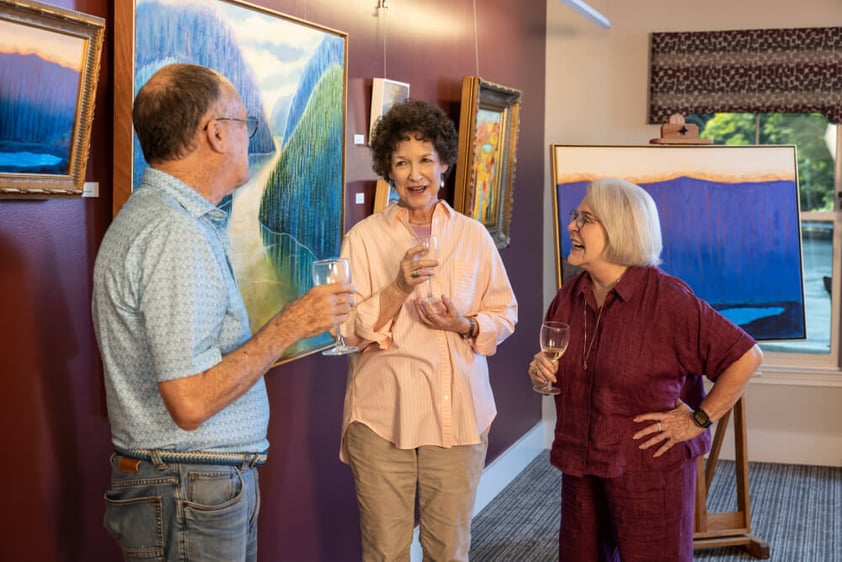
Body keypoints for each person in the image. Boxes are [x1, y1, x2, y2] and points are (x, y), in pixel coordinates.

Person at [92, 63, 354, 562]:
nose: (246, 136)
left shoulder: (163, 217)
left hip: (188, 487)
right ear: (214, 133)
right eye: (243, 123)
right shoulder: (175, 235)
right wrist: (290, 325)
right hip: (189, 489)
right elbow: (189, 402)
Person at [528, 177, 763, 562]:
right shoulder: (570, 296)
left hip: (649, 473)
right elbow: (559, 368)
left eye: (584, 218)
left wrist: (699, 420)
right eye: (575, 216)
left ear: (619, 229)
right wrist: (541, 372)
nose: (571, 225)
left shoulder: (669, 301)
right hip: (582, 464)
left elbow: (746, 355)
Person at [338, 99, 518, 561]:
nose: (415, 174)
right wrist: (398, 287)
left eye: (425, 160)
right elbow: (347, 331)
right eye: (401, 162)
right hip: (382, 417)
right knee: (385, 552)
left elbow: (505, 312)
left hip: (458, 417)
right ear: (388, 170)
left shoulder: (473, 236)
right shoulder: (364, 239)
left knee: (449, 551)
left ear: (444, 164)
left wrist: (466, 324)